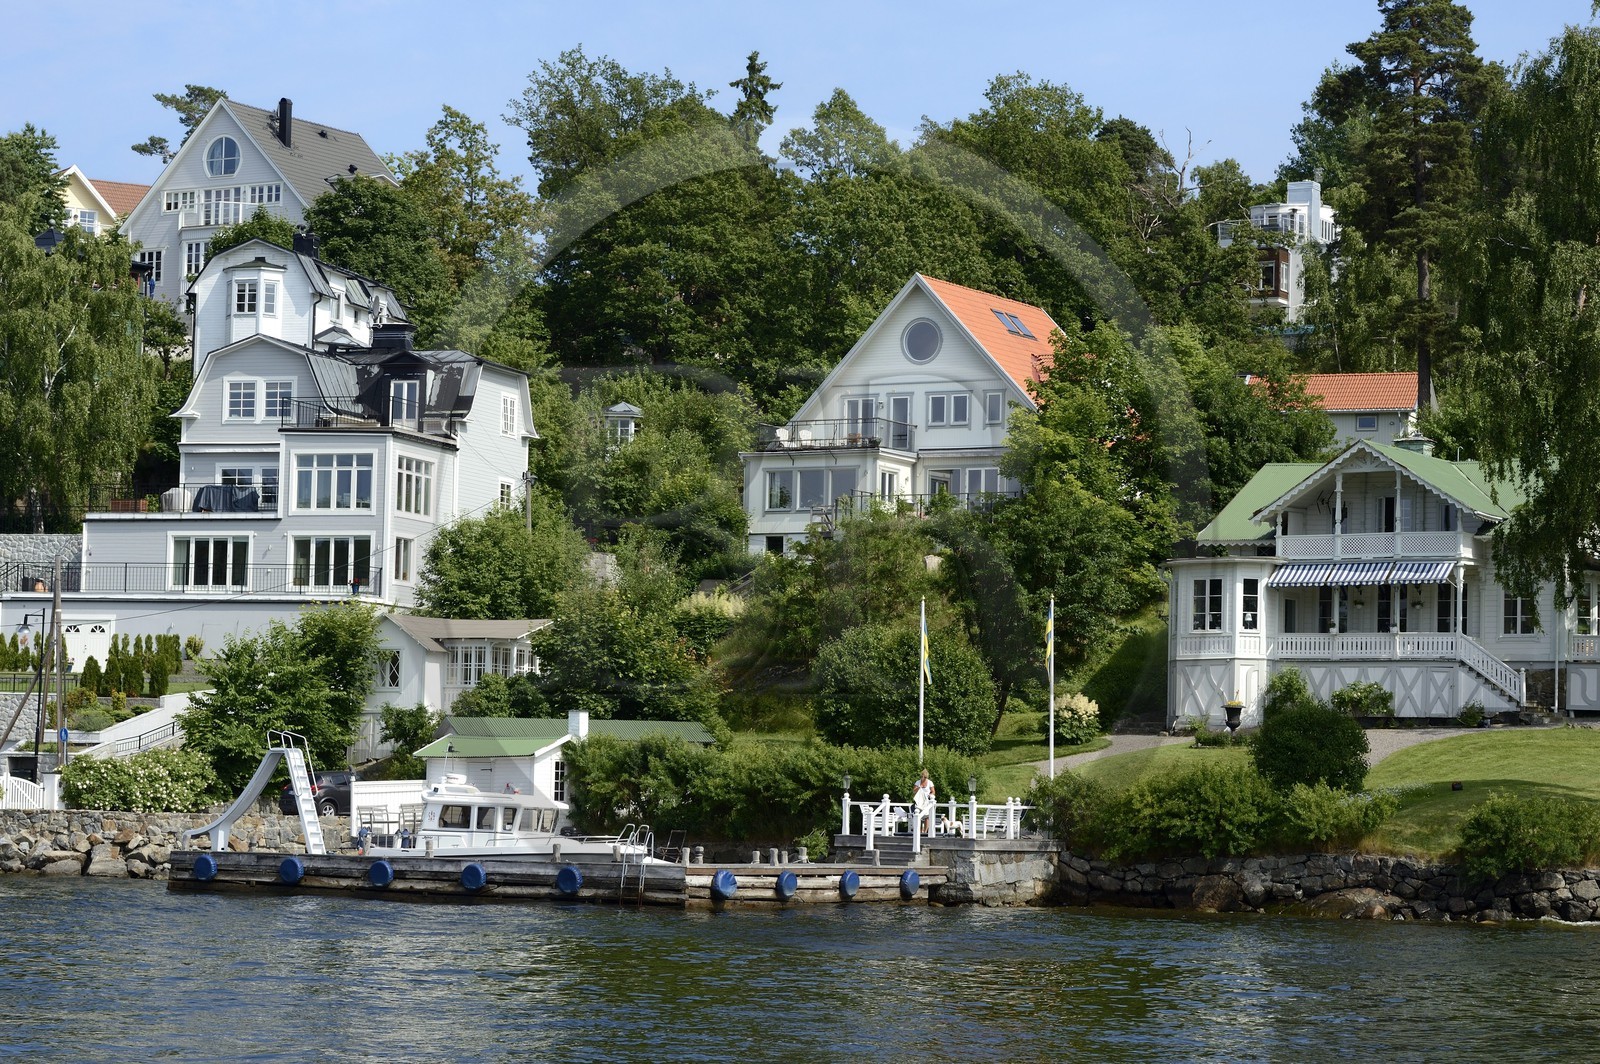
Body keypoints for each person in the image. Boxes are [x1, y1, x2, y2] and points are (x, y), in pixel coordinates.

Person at [912, 769, 936, 834]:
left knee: (927, 816)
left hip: (927, 801)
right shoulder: (918, 782)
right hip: (919, 801)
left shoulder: (930, 782)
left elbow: (933, 791)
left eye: (925, 777)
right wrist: (919, 787)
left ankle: (925, 831)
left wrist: (930, 795)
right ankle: (919, 831)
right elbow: (914, 791)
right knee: (918, 815)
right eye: (923, 777)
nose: (924, 778)